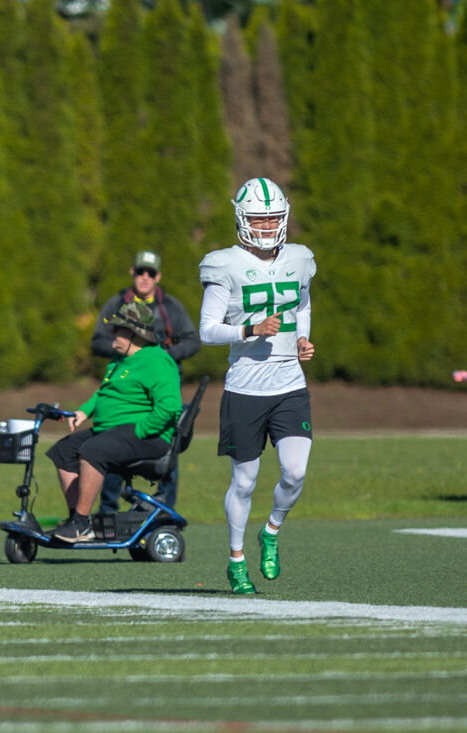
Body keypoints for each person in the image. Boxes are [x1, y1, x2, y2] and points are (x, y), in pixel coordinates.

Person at [198, 177, 316, 595]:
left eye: (272, 219)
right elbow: (207, 331)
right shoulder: (223, 264)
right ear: (242, 220)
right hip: (245, 388)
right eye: (258, 219)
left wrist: (301, 338)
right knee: (245, 482)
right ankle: (236, 560)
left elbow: (301, 303)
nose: (266, 227)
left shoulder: (300, 259)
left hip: (288, 383)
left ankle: (271, 531)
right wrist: (250, 328)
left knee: (296, 471)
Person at [48, 301, 182, 543]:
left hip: (148, 437)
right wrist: (83, 412)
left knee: (93, 451)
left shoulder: (157, 361)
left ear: (134, 333)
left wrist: (141, 429)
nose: (112, 335)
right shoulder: (118, 360)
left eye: (118, 330)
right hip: (111, 431)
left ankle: (80, 524)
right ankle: (79, 522)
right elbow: (103, 392)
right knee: (63, 451)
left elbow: (170, 407)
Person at [91, 250, 199, 512]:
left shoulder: (170, 307)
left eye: (150, 273)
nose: (145, 277)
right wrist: (131, 351)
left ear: (158, 276)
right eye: (140, 271)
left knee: (166, 452)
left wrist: (164, 357)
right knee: (114, 446)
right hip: (129, 393)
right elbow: (98, 341)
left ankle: (163, 510)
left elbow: (192, 341)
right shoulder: (116, 304)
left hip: (162, 390)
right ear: (132, 272)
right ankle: (108, 512)